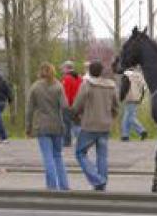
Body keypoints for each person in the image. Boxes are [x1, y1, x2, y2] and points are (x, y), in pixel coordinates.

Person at [72, 60, 119, 191]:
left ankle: (97, 179)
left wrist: (75, 116)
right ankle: (101, 183)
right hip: (105, 125)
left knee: (80, 153)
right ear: (101, 71)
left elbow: (77, 105)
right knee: (102, 155)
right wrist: (111, 117)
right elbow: (116, 106)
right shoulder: (111, 86)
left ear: (90, 71)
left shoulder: (86, 85)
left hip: (90, 125)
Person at [26, 62, 70, 190]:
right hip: (57, 125)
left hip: (41, 126)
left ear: (40, 72)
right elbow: (65, 106)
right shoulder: (58, 86)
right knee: (58, 156)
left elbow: (29, 110)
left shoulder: (35, 87)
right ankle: (64, 185)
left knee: (48, 157)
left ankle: (52, 186)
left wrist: (28, 128)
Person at [119, 68, 148, 141]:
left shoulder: (126, 75)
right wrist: (141, 98)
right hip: (137, 97)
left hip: (129, 97)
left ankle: (142, 131)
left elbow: (124, 88)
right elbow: (144, 88)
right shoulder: (139, 75)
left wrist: (121, 97)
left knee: (130, 117)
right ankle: (125, 135)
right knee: (126, 116)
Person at [61, 61, 82, 147]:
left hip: (69, 104)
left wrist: (65, 104)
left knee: (67, 124)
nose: (62, 70)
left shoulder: (67, 78)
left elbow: (66, 93)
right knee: (77, 123)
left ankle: (67, 142)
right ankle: (81, 140)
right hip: (78, 104)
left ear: (67, 68)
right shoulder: (80, 78)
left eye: (63, 68)